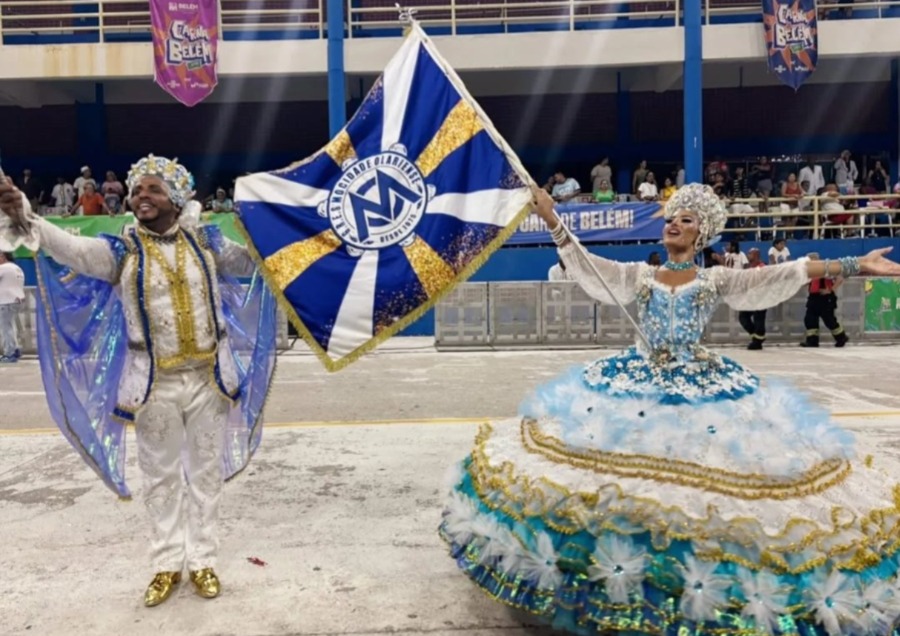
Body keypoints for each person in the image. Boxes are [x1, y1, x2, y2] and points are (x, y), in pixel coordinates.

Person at [441, 183, 900, 635]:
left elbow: (788, 273)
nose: (674, 225)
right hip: (635, 382)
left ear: (702, 234)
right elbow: (589, 265)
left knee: (703, 487)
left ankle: (684, 581)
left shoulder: (716, 277)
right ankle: (612, 568)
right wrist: (551, 219)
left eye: (686, 219)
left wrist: (855, 262)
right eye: (671, 218)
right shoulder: (640, 275)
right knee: (615, 479)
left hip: (698, 383)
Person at [0, 155, 277, 607]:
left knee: (205, 474)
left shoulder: (207, 241)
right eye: (136, 191)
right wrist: (24, 214)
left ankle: (203, 559)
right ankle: (167, 564)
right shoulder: (120, 251)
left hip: (210, 379)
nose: (140, 197)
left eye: (151, 189)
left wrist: (276, 226)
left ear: (176, 197)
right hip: (153, 386)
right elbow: (68, 247)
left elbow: (252, 264)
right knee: (160, 477)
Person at [801, 253, 850, 348]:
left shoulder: (825, 269)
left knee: (829, 320)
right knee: (810, 319)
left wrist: (830, 290)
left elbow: (840, 278)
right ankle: (812, 341)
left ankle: (841, 337)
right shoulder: (812, 272)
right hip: (813, 297)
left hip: (825, 298)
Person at [738, 247, 766, 350]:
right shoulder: (749, 268)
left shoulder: (762, 267)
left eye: (750, 254)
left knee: (759, 319)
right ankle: (757, 336)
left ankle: (757, 342)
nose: (748, 255)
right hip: (750, 298)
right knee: (743, 317)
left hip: (760, 298)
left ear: (756, 255)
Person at [0, 251, 24, 363]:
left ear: (3, 256)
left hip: (6, 301)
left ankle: (9, 353)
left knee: (6, 328)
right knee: (10, 326)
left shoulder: (4, 268)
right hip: (17, 299)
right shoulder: (16, 268)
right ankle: (15, 349)